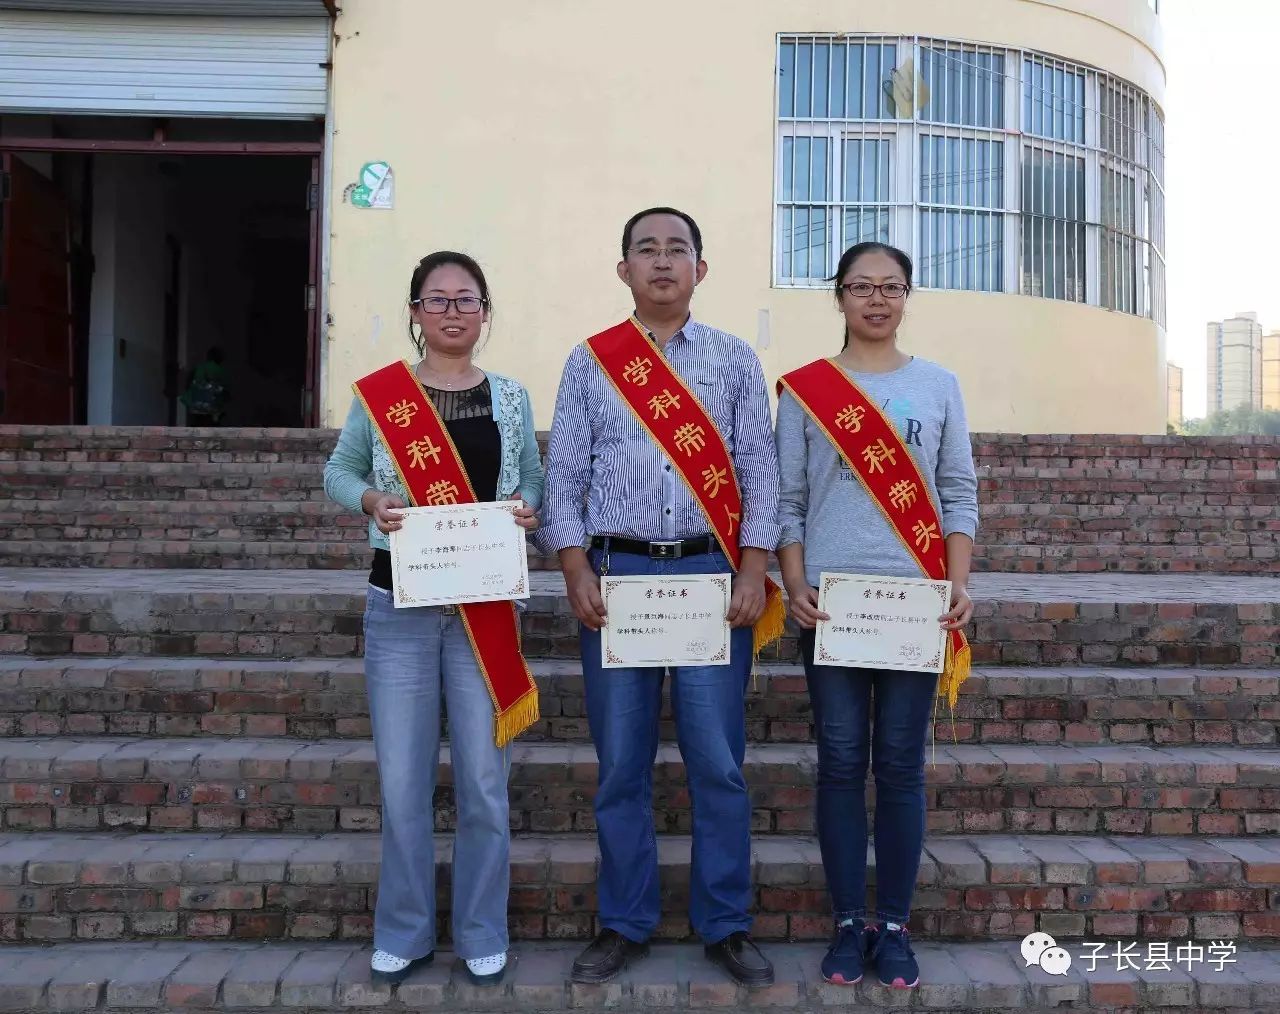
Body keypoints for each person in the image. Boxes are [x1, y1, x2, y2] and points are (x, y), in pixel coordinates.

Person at [537, 207, 784, 988]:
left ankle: (725, 923)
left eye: (678, 250)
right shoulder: (591, 363)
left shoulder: (736, 360)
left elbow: (761, 476)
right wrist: (574, 567)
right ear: (624, 270)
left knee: (718, 764)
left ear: (701, 270)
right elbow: (564, 478)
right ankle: (625, 921)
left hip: (712, 580)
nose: (663, 262)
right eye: (647, 250)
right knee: (621, 767)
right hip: (619, 581)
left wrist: (752, 568)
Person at [323, 251, 544, 987]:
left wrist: (526, 513)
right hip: (401, 607)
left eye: (466, 299)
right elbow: (340, 472)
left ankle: (482, 928)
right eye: (437, 299)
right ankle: (407, 930)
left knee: (483, 780)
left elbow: (531, 489)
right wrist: (371, 503)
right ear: (415, 312)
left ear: (486, 311)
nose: (453, 311)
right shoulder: (382, 396)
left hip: (483, 609)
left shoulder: (510, 399)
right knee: (404, 781)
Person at [774, 241, 978, 990]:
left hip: (916, 603)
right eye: (861, 286)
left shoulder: (939, 386)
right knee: (838, 764)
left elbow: (958, 492)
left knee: (897, 766)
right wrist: (793, 583)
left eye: (890, 286)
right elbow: (788, 499)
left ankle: (892, 925)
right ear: (839, 297)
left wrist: (958, 585)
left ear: (907, 296)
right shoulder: (805, 391)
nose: (877, 299)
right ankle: (846, 923)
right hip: (833, 606)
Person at [181, 346, 229, 425]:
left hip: (196, 411)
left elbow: (188, 387)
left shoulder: (197, 369)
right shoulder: (221, 371)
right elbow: (226, 394)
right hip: (212, 412)